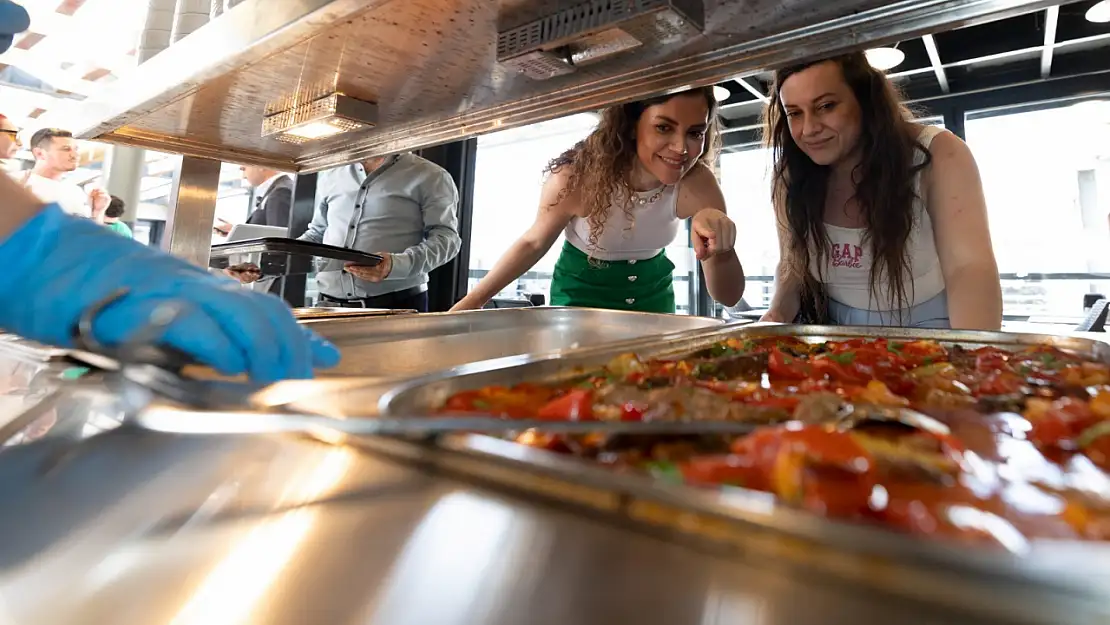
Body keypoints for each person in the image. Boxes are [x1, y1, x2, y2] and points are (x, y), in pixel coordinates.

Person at [759, 53, 1002, 330]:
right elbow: (793, 268)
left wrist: (972, 357)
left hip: (936, 327)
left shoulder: (939, 154)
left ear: (865, 99)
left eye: (826, 106)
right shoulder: (789, 178)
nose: (810, 129)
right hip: (834, 331)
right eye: (794, 113)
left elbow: (968, 269)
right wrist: (775, 315)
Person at [451, 88, 745, 314]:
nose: (682, 148)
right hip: (579, 302)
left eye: (695, 133)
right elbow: (533, 243)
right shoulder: (575, 176)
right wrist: (472, 303)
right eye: (663, 127)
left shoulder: (699, 183)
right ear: (632, 125)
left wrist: (722, 250)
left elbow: (728, 296)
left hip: (654, 303)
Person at [231, 153, 462, 312]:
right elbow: (317, 234)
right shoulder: (332, 174)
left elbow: (447, 239)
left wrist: (396, 265)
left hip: (397, 307)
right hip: (327, 307)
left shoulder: (431, 175)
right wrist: (265, 267)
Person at [21, 128, 110, 221]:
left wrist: (97, 212)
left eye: (76, 149)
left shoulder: (76, 192)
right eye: (66, 149)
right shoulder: (16, 182)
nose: (75, 155)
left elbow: (89, 234)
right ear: (39, 153)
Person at [214, 166, 295, 237]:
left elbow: (277, 241)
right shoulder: (277, 190)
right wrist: (236, 231)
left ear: (261, 165)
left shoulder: (280, 192)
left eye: (244, 167)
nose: (242, 172)